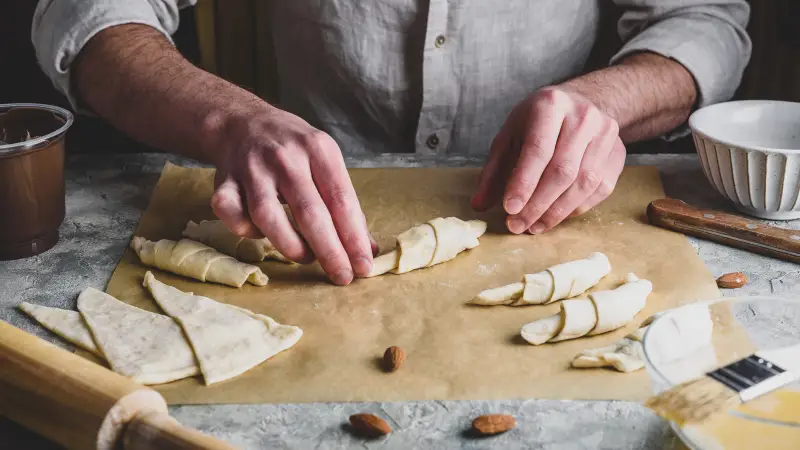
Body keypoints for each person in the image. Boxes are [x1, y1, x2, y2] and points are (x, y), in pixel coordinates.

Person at [32, 1, 751, 285]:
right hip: (285, 217)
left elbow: (706, 19)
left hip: (560, 218)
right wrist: (226, 119)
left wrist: (611, 100)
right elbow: (87, 12)